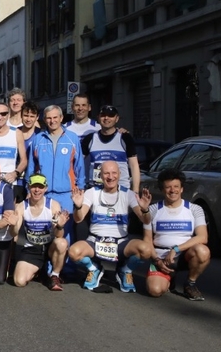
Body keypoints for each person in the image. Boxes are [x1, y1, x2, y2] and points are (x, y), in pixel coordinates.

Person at [67, 161, 153, 292]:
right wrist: (78, 206)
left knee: (146, 250)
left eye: (114, 173)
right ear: (100, 176)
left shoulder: (128, 194)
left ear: (120, 174)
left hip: (121, 244)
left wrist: (145, 209)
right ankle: (94, 268)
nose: (110, 177)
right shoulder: (92, 193)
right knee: (73, 252)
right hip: (95, 242)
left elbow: (145, 220)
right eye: (106, 173)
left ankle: (125, 270)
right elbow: (78, 219)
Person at [143, 169, 211, 301]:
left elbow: (203, 237)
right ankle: (169, 279)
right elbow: (147, 241)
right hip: (161, 257)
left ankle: (190, 284)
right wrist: (156, 260)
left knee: (203, 251)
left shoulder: (194, 209)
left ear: (181, 189)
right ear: (162, 190)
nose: (172, 190)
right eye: (168, 187)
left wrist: (176, 249)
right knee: (154, 290)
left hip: (184, 255)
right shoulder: (152, 209)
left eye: (176, 187)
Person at [28, 105, 86, 243]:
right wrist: (28, 189)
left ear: (61, 118)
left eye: (55, 117)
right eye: (48, 118)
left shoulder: (72, 138)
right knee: (45, 231)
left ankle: (66, 265)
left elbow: (79, 166)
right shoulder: (38, 139)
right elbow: (31, 168)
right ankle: (47, 264)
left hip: (66, 194)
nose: (52, 121)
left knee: (65, 231)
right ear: (44, 119)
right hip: (44, 193)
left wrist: (81, 188)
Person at [11, 174, 69, 290]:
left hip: (49, 247)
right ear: (28, 187)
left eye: (40, 187)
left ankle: (55, 275)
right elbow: (14, 234)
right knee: (19, 281)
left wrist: (60, 226)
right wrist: (13, 225)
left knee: (62, 243)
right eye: (34, 187)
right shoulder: (22, 207)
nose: (37, 190)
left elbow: (59, 236)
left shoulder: (53, 205)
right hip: (32, 249)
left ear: (45, 188)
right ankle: (39, 270)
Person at [81, 104, 140, 193]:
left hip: (121, 190)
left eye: (111, 116)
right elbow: (77, 163)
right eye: (103, 115)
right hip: (96, 190)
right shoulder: (90, 138)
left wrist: (135, 190)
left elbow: (134, 165)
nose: (106, 118)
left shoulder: (125, 138)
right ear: (98, 118)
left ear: (117, 118)